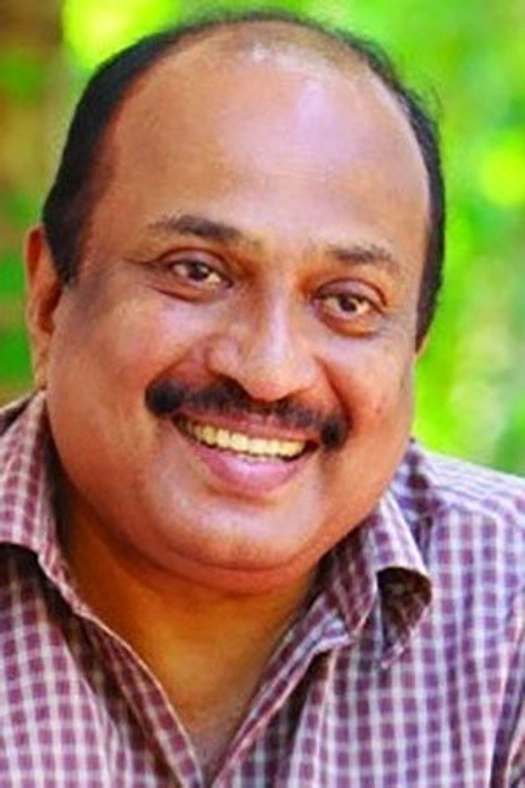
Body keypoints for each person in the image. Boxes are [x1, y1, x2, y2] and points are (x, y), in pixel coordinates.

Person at [0, 9, 523, 786]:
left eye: (346, 301)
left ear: (410, 349)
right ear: (49, 299)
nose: (269, 370)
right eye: (196, 271)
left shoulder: (509, 617)